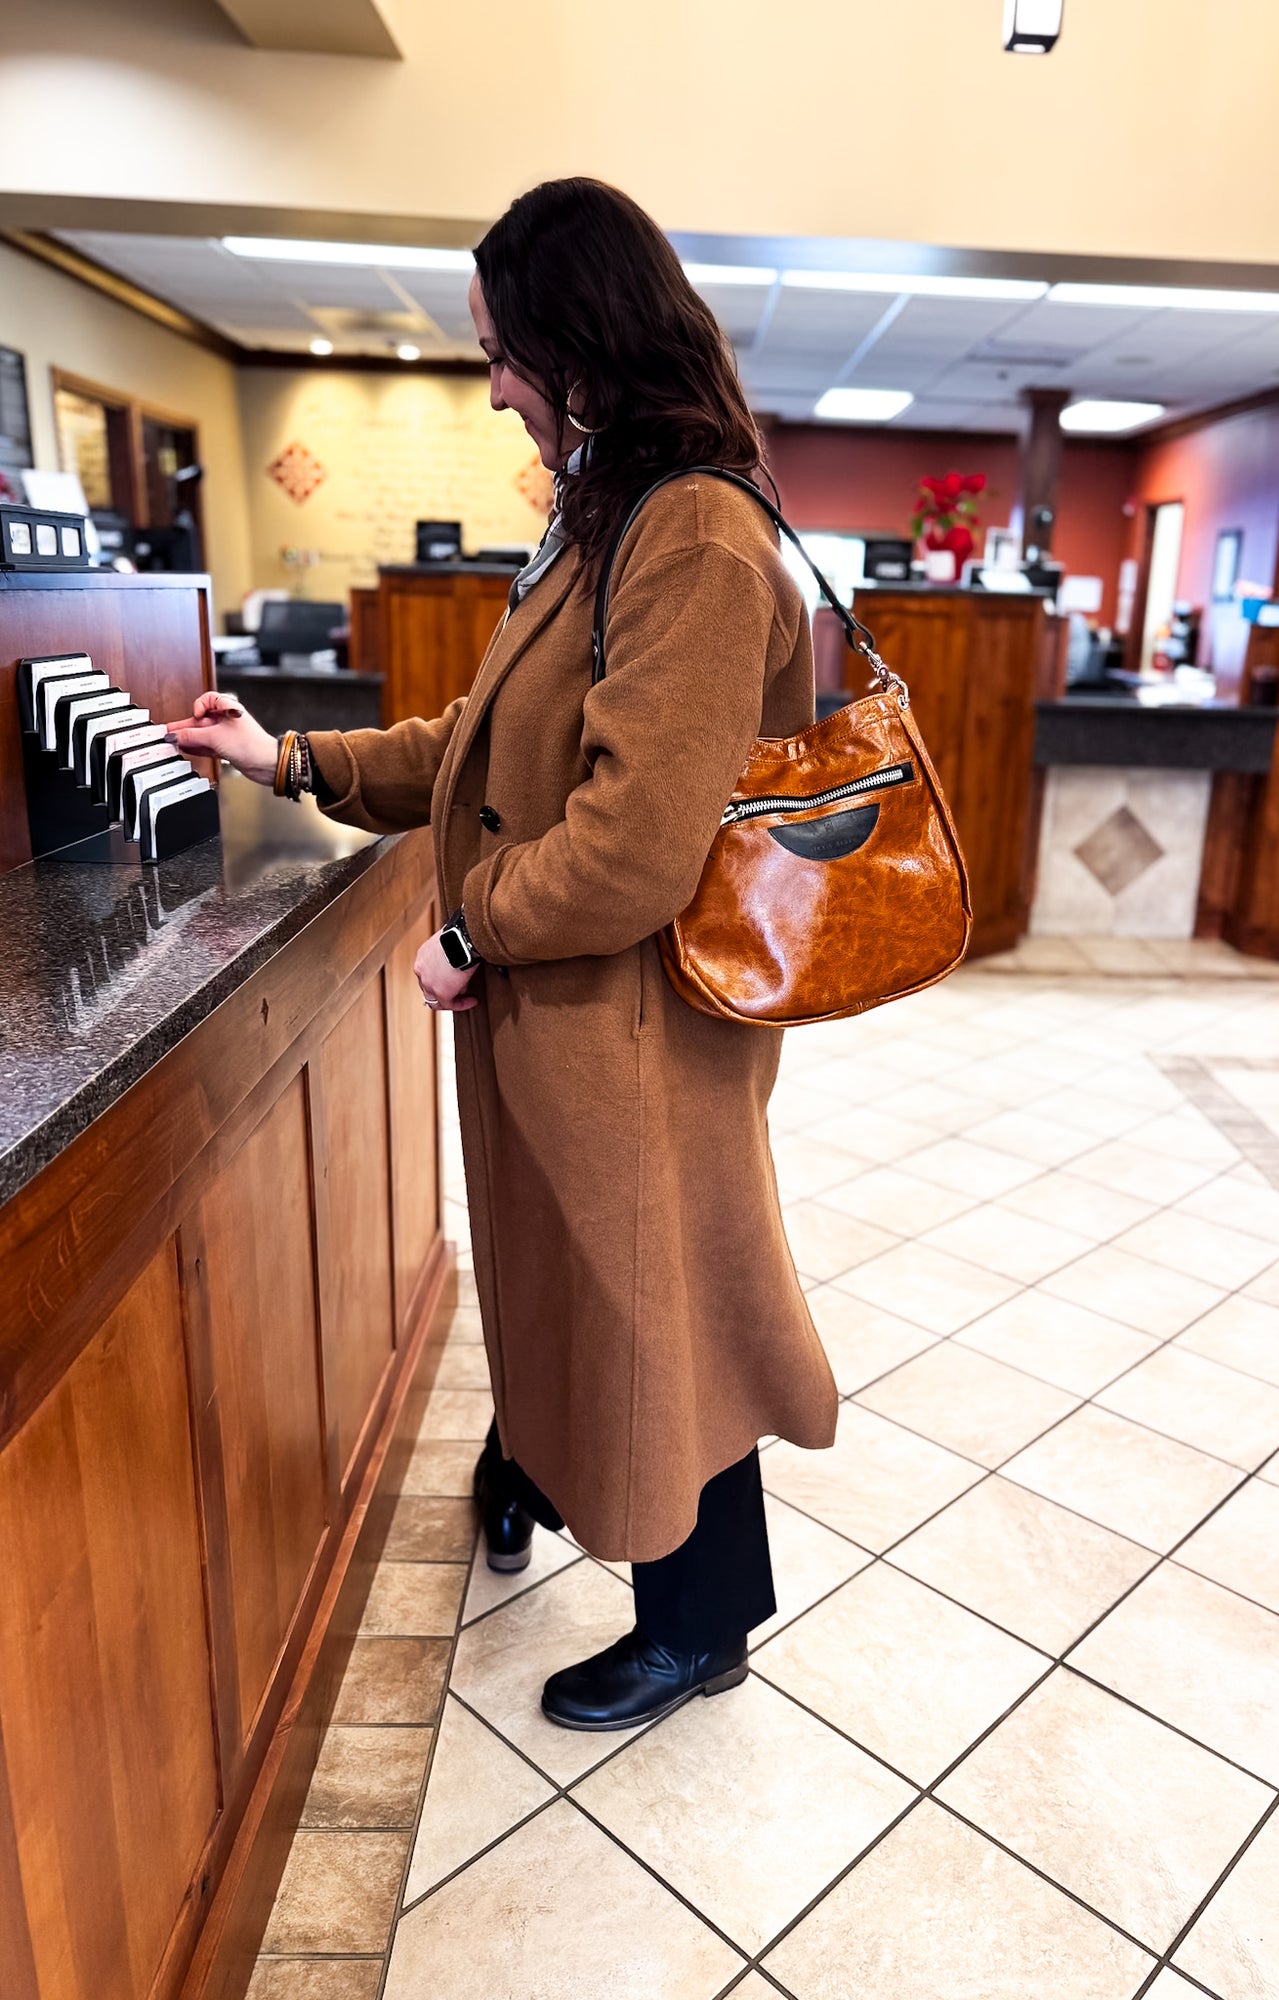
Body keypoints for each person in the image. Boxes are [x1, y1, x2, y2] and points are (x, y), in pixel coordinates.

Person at [170, 177, 838, 1732]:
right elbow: (485, 751)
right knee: (567, 1274)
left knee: (669, 1302)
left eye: (500, 349)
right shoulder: (601, 512)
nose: (492, 385)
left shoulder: (694, 536)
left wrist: (473, 927)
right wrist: (292, 761)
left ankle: (702, 1620)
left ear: (579, 344)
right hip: (567, 1018)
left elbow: (634, 843)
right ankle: (536, 1457)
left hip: (637, 1023)